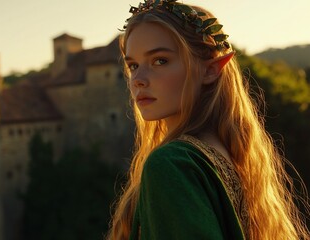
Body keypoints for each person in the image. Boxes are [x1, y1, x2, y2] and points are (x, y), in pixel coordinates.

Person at [107, 0, 310, 239]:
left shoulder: (172, 163)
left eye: (160, 60)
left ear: (210, 69)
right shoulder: (227, 155)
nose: (138, 79)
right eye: (133, 65)